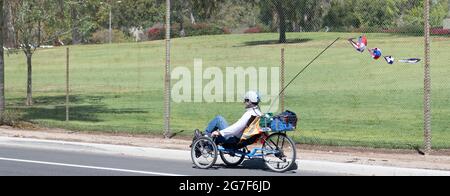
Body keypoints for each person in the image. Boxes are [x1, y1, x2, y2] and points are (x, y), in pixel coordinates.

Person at [191, 91, 263, 147]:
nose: (244, 102)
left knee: (219, 119)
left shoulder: (249, 114)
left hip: (234, 139)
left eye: (245, 100)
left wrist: (219, 132)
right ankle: (205, 137)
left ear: (249, 101)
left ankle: (204, 138)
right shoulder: (258, 113)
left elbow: (235, 129)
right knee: (220, 120)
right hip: (244, 138)